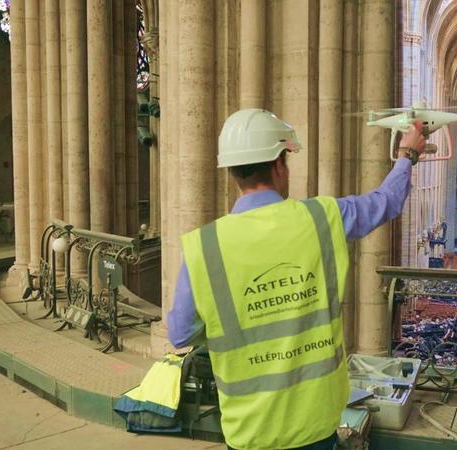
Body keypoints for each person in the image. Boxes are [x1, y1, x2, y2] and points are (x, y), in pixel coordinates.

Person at [168, 109, 425, 450]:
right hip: (315, 424)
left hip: (249, 431)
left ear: (232, 171)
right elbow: (386, 202)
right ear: (278, 164)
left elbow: (180, 333)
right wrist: (407, 154)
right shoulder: (322, 218)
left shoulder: (205, 245)